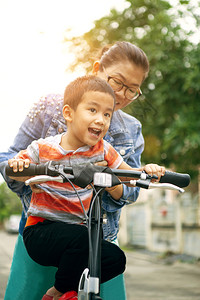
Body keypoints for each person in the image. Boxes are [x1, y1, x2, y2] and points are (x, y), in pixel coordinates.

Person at [0, 41, 149, 299]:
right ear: (97, 69)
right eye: (118, 82)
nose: (123, 95)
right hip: (46, 227)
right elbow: (9, 158)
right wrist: (29, 175)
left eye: (132, 90)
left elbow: (132, 188)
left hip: (96, 234)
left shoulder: (132, 129)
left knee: (108, 269)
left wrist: (108, 181)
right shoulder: (50, 106)